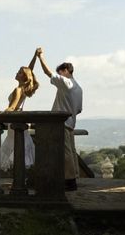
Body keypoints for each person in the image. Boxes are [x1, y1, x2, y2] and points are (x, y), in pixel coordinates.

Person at [36, 47, 83, 191]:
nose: (59, 75)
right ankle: (74, 177)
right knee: (71, 151)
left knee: (65, 152)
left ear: (65, 71)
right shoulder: (79, 88)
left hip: (61, 123)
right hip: (71, 123)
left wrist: (40, 57)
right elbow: (79, 109)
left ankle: (69, 181)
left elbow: (47, 72)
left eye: (60, 73)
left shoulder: (66, 83)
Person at [0, 51, 39, 171]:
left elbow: (12, 107)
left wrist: (2, 114)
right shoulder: (24, 89)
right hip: (19, 122)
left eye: (20, 72)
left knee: (15, 151)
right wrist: (35, 56)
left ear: (24, 76)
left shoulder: (18, 90)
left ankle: (16, 182)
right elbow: (30, 70)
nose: (17, 72)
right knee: (20, 151)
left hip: (14, 122)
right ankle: (19, 180)